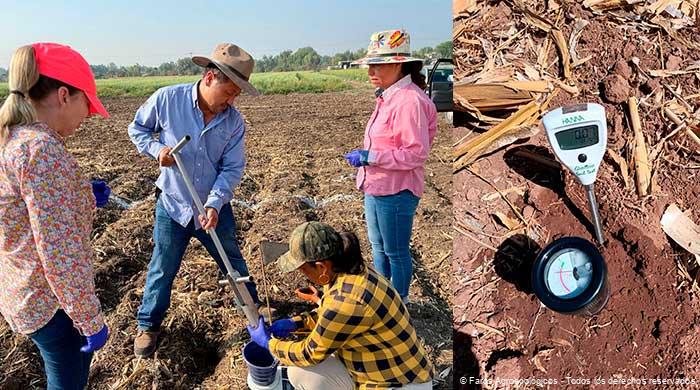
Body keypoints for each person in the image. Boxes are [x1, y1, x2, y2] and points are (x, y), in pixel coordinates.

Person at [127, 43, 270, 357]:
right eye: (229, 92)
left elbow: (232, 168)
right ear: (209, 78)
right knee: (162, 268)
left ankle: (254, 313)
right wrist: (157, 150)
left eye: (237, 95)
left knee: (232, 263)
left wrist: (215, 203)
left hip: (212, 209)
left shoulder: (233, 122)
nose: (231, 101)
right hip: (174, 205)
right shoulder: (167, 100)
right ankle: (148, 325)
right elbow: (137, 129)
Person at [0, 43, 110, 389]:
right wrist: (90, 319)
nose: (88, 116)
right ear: (64, 95)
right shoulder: (41, 151)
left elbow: (24, 210)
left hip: (20, 290)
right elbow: (58, 253)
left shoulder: (13, 138)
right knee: (67, 380)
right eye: (86, 104)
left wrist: (80, 194)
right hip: (50, 302)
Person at [247, 221, 433, 390]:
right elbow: (326, 315)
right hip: (371, 366)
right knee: (301, 374)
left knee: (305, 366)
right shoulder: (345, 272)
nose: (303, 275)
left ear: (321, 267)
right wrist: (296, 323)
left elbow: (309, 353)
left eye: (303, 269)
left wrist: (269, 344)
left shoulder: (347, 300)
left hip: (398, 382)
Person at [344, 29, 438, 304]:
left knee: (395, 252)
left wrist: (370, 157)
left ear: (397, 64)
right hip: (376, 186)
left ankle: (399, 303)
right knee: (379, 248)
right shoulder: (388, 96)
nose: (371, 70)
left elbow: (415, 154)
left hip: (396, 192)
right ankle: (384, 299)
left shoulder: (409, 101)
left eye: (378, 65)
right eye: (370, 65)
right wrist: (368, 159)